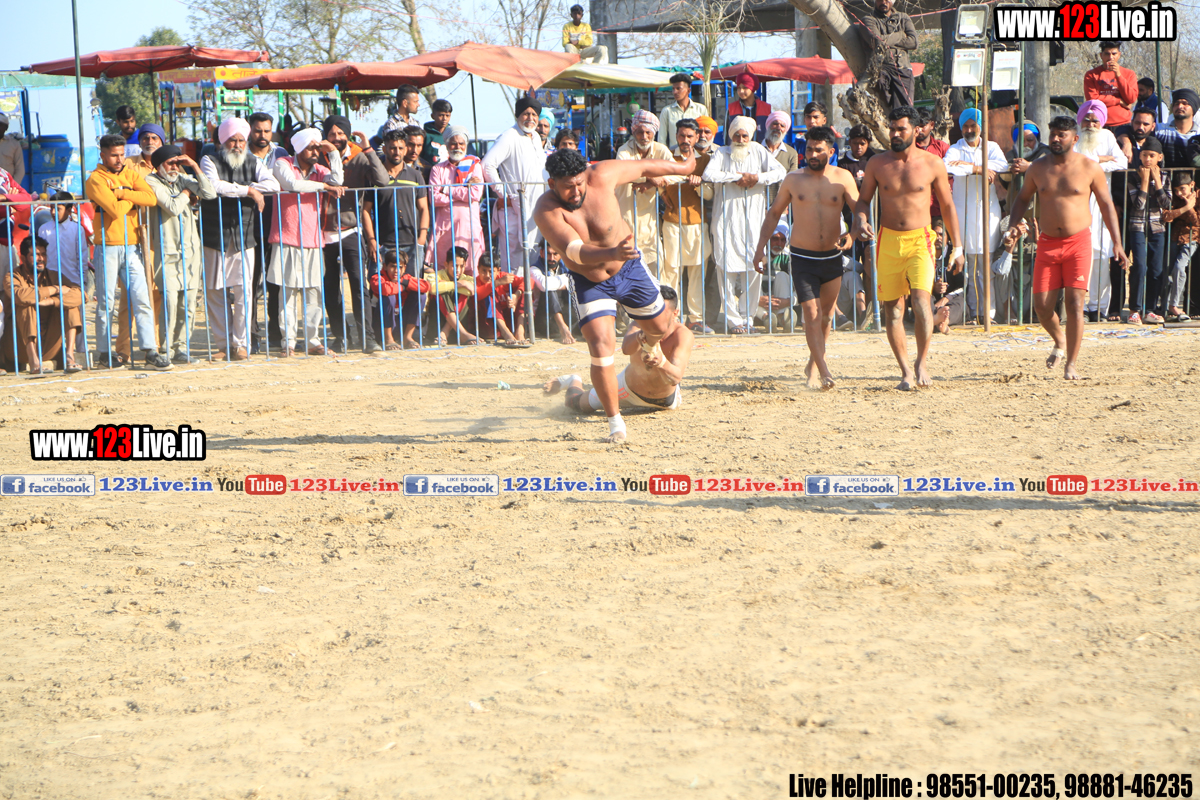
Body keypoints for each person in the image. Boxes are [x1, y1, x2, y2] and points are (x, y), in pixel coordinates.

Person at [533, 148, 694, 443]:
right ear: (552, 184)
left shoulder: (603, 174)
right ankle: (615, 424)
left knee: (661, 326)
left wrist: (682, 168)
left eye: (579, 183)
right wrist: (611, 252)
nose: (576, 191)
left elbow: (644, 166)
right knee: (601, 346)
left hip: (628, 268)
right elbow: (573, 251)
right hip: (590, 280)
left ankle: (647, 344)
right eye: (568, 186)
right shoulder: (545, 209)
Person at [1006, 116, 1128, 380]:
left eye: (1062, 135)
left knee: (1074, 304)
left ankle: (1071, 363)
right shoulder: (1037, 168)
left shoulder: (1090, 167)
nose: (1055, 139)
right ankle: (1059, 339)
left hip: (1078, 242)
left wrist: (1117, 243)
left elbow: (1107, 205)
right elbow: (1022, 198)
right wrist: (1012, 225)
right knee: (1041, 307)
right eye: (1053, 134)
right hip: (1048, 243)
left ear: (1075, 139)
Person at [850, 106, 963, 390]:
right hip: (888, 240)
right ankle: (905, 371)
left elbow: (947, 206)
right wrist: (861, 220)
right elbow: (863, 201)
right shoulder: (877, 163)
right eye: (892, 129)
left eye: (901, 128)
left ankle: (921, 362)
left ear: (916, 129)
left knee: (922, 301)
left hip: (920, 239)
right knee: (893, 309)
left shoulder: (932, 163)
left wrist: (958, 246)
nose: (895, 134)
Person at [754, 126, 857, 389]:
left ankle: (813, 363)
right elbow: (773, 214)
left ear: (831, 152)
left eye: (818, 150)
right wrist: (759, 249)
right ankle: (824, 371)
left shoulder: (843, 178)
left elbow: (860, 210)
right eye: (809, 149)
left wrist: (854, 235)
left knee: (826, 317)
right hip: (802, 257)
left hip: (832, 257)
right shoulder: (793, 179)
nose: (812, 154)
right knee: (811, 313)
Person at [85, 134, 172, 371]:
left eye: (122, 154)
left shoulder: (130, 174)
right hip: (107, 247)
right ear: (103, 155)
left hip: (132, 245)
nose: (119, 159)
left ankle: (150, 351)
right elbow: (114, 211)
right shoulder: (95, 179)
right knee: (106, 303)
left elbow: (150, 198)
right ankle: (105, 353)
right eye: (114, 155)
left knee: (142, 298)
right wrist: (132, 199)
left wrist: (123, 194)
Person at [199, 117, 279, 361]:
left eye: (241, 140)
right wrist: (249, 191)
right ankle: (224, 345)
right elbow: (214, 186)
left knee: (244, 291)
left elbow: (273, 185)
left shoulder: (253, 161)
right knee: (215, 291)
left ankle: (241, 344)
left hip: (244, 235)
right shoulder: (209, 160)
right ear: (223, 141)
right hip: (215, 235)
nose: (237, 145)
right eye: (232, 140)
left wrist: (250, 187)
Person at [544, 285, 692, 415]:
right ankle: (573, 379)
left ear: (675, 313)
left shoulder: (682, 335)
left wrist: (661, 362)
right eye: (654, 311)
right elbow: (626, 349)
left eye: (662, 313)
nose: (656, 318)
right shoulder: (640, 323)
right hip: (627, 389)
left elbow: (676, 377)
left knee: (671, 377)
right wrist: (639, 336)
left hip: (665, 400)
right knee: (574, 403)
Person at [702, 116, 787, 334]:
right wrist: (736, 177)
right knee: (725, 271)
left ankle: (748, 319)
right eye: (737, 136)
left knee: (753, 269)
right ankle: (733, 321)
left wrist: (756, 178)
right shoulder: (722, 153)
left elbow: (780, 172)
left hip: (753, 222)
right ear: (731, 136)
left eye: (744, 136)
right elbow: (708, 174)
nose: (740, 140)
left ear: (751, 137)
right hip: (726, 221)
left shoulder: (758, 150)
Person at [268, 128, 344, 357]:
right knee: (288, 293)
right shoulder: (282, 163)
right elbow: (292, 185)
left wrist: (334, 154)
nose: (315, 152)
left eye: (317, 148)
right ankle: (289, 343)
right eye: (311, 148)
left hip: (312, 239)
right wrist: (324, 187)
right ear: (299, 148)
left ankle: (313, 341)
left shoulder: (320, 170)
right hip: (286, 237)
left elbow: (337, 180)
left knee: (313, 293)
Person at [320, 114, 389, 354]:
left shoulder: (359, 156)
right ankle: (341, 336)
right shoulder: (319, 155)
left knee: (360, 287)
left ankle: (367, 338)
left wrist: (368, 149)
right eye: (332, 133)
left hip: (351, 230)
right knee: (330, 289)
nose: (336, 138)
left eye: (341, 133)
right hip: (322, 232)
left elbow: (383, 181)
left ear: (348, 134)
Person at [144, 145, 215, 364]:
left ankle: (182, 348)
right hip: (167, 252)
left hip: (191, 251)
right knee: (170, 302)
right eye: (170, 163)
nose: (175, 167)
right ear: (159, 166)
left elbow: (209, 193)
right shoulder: (151, 181)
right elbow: (172, 206)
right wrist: (186, 194)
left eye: (177, 163)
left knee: (188, 304)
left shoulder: (183, 178)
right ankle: (166, 350)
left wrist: (194, 166)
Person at [362, 129, 430, 341]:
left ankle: (408, 336)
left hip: (411, 244)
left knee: (414, 289)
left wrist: (421, 239)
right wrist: (371, 240)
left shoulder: (416, 175)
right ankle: (385, 336)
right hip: (383, 245)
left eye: (401, 147)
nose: (397, 151)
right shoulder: (375, 175)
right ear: (385, 148)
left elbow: (424, 209)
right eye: (392, 148)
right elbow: (365, 211)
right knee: (381, 291)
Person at [944, 107, 1008, 322]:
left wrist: (968, 166)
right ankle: (973, 313)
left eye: (973, 125)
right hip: (964, 214)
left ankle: (988, 313)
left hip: (987, 214)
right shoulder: (955, 148)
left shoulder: (991, 147)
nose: (969, 130)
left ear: (980, 127)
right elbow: (947, 166)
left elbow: (1002, 165)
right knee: (970, 267)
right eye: (966, 126)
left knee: (986, 266)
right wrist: (977, 169)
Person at [1074, 100, 1128, 321]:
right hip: (1078, 203)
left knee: (1101, 255)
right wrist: (1099, 160)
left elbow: (1122, 162)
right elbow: (1072, 162)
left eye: (1095, 120)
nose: (1090, 124)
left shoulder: (1107, 137)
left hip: (1101, 203)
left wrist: (1094, 165)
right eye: (1087, 120)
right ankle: (1080, 308)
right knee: (1079, 255)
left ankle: (1098, 308)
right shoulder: (1075, 136)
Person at [482, 97, 548, 276]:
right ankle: (511, 294)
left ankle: (530, 295)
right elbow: (487, 165)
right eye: (526, 114)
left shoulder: (536, 137)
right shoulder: (509, 136)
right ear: (518, 115)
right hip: (515, 209)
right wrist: (504, 194)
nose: (530, 118)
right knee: (514, 262)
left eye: (534, 114)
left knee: (534, 258)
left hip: (536, 208)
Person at [660, 118, 714, 333]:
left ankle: (695, 318)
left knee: (697, 271)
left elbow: (709, 194)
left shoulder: (706, 160)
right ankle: (671, 318)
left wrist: (698, 185)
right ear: (676, 136)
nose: (685, 140)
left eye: (689, 136)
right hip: (672, 221)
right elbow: (658, 180)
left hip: (697, 222)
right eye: (681, 136)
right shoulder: (667, 157)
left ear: (696, 137)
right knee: (671, 270)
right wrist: (662, 192)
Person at [1, 236, 83, 374]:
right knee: (27, 304)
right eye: (35, 255)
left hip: (48, 344)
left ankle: (69, 357)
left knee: (71, 304)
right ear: (23, 257)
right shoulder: (13, 276)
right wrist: (54, 289)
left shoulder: (53, 276)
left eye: (43, 254)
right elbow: (20, 296)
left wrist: (52, 301)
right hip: (19, 346)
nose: (41, 259)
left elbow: (81, 294)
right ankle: (34, 361)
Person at [246, 111, 288, 353]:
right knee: (250, 283)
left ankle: (276, 333)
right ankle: (251, 335)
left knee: (276, 283)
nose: (262, 135)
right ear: (250, 131)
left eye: (266, 131)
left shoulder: (281, 153)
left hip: (277, 226)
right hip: (249, 225)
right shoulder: (240, 153)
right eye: (257, 130)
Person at [616, 110, 673, 278]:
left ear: (654, 133)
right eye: (640, 132)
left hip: (649, 216)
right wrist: (649, 177)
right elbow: (623, 170)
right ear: (634, 132)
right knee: (627, 262)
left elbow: (677, 173)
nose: (644, 137)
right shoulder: (624, 150)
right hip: (626, 212)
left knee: (655, 262)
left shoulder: (661, 150)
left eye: (648, 132)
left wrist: (658, 180)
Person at [428, 125, 486, 278]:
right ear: (447, 145)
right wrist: (463, 190)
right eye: (453, 143)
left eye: (461, 143)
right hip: (445, 228)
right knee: (444, 271)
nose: (458, 147)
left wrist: (447, 189)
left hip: (469, 227)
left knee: (472, 271)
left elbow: (475, 195)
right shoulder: (438, 169)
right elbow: (434, 198)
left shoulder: (474, 166)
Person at [1126, 135, 1170, 324]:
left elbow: (1167, 203)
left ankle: (1150, 309)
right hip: (1137, 226)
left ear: (1159, 157)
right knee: (1139, 266)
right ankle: (1134, 309)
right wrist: (1145, 181)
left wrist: (1157, 181)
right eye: (1144, 155)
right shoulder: (1133, 176)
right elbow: (1138, 205)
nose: (1148, 159)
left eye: (1152, 156)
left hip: (1157, 227)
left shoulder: (1165, 176)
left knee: (1156, 268)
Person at [857, 0, 917, 110]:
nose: (884, 2)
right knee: (885, 110)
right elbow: (877, 42)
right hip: (881, 70)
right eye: (880, 0)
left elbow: (913, 42)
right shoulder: (868, 20)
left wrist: (887, 40)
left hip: (903, 69)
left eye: (887, 0)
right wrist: (900, 35)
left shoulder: (903, 18)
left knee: (905, 111)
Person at [368, 248, 430, 350]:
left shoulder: (405, 278)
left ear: (404, 268)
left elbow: (425, 286)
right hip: (380, 324)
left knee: (420, 295)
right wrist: (402, 287)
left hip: (400, 322)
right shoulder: (377, 277)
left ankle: (407, 337)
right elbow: (385, 289)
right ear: (385, 266)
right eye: (392, 266)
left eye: (400, 267)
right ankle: (387, 339)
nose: (396, 271)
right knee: (389, 296)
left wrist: (404, 282)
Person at [1161, 170, 1199, 322]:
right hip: (1175, 237)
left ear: (1192, 185)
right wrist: (1185, 207)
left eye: (1182, 189)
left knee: (1179, 268)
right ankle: (1165, 306)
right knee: (1167, 270)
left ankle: (1174, 304)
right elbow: (1166, 216)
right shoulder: (1175, 198)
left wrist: (1190, 208)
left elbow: (1197, 223)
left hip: (1191, 238)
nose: (1179, 193)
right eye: (1176, 190)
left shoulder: (1198, 197)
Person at [1083, 41, 1137, 130]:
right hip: (1099, 124)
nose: (1110, 57)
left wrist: (1118, 75)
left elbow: (1131, 98)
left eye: (1114, 54)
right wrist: (1118, 101)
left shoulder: (1129, 74)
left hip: (1123, 124)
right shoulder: (1091, 75)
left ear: (1119, 55)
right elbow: (1092, 100)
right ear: (1101, 55)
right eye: (1107, 54)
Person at [658, 73, 708, 150]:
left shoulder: (701, 109)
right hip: (674, 154)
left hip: (696, 154)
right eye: (673, 89)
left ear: (688, 90)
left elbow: (706, 134)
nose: (675, 92)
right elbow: (661, 139)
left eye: (678, 88)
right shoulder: (667, 111)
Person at [1156, 89, 1200, 169]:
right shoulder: (1159, 130)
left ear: (1193, 108)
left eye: (1185, 103)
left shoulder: (1198, 135)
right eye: (1176, 103)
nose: (1179, 106)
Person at [725, 74, 771, 144]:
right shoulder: (731, 109)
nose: (741, 91)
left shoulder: (766, 108)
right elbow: (726, 134)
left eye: (745, 88)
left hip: (760, 149)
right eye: (739, 88)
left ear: (753, 89)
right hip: (738, 148)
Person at [763, 111, 798, 182]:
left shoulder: (791, 154)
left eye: (782, 126)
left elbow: (792, 181)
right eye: (775, 124)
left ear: (785, 130)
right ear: (768, 125)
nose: (778, 128)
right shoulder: (755, 149)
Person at [423, 99, 452, 168]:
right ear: (433, 116)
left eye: (447, 115)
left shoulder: (452, 134)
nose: (444, 118)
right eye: (441, 115)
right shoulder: (425, 134)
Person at [0, 112, 25, 186]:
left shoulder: (14, 144)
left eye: (0, 125)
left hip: (7, 187)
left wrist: (12, 187)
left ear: (6, 128)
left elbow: (20, 170)